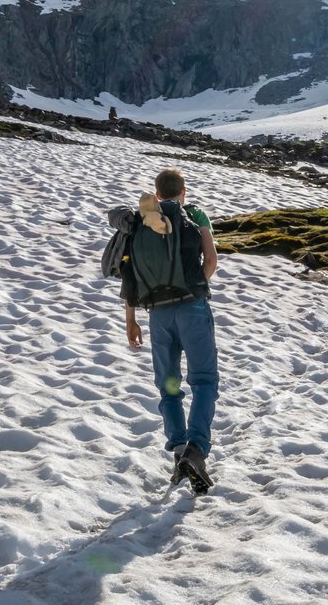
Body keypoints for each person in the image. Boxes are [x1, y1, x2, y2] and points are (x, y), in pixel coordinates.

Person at [121, 167, 219, 491]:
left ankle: (178, 451)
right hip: (192, 308)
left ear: (156, 193)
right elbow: (211, 260)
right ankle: (196, 450)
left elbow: (130, 275)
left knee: (170, 386)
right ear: (184, 191)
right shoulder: (195, 216)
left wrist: (130, 320)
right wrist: (196, 287)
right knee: (203, 380)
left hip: (158, 315)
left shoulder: (141, 222)